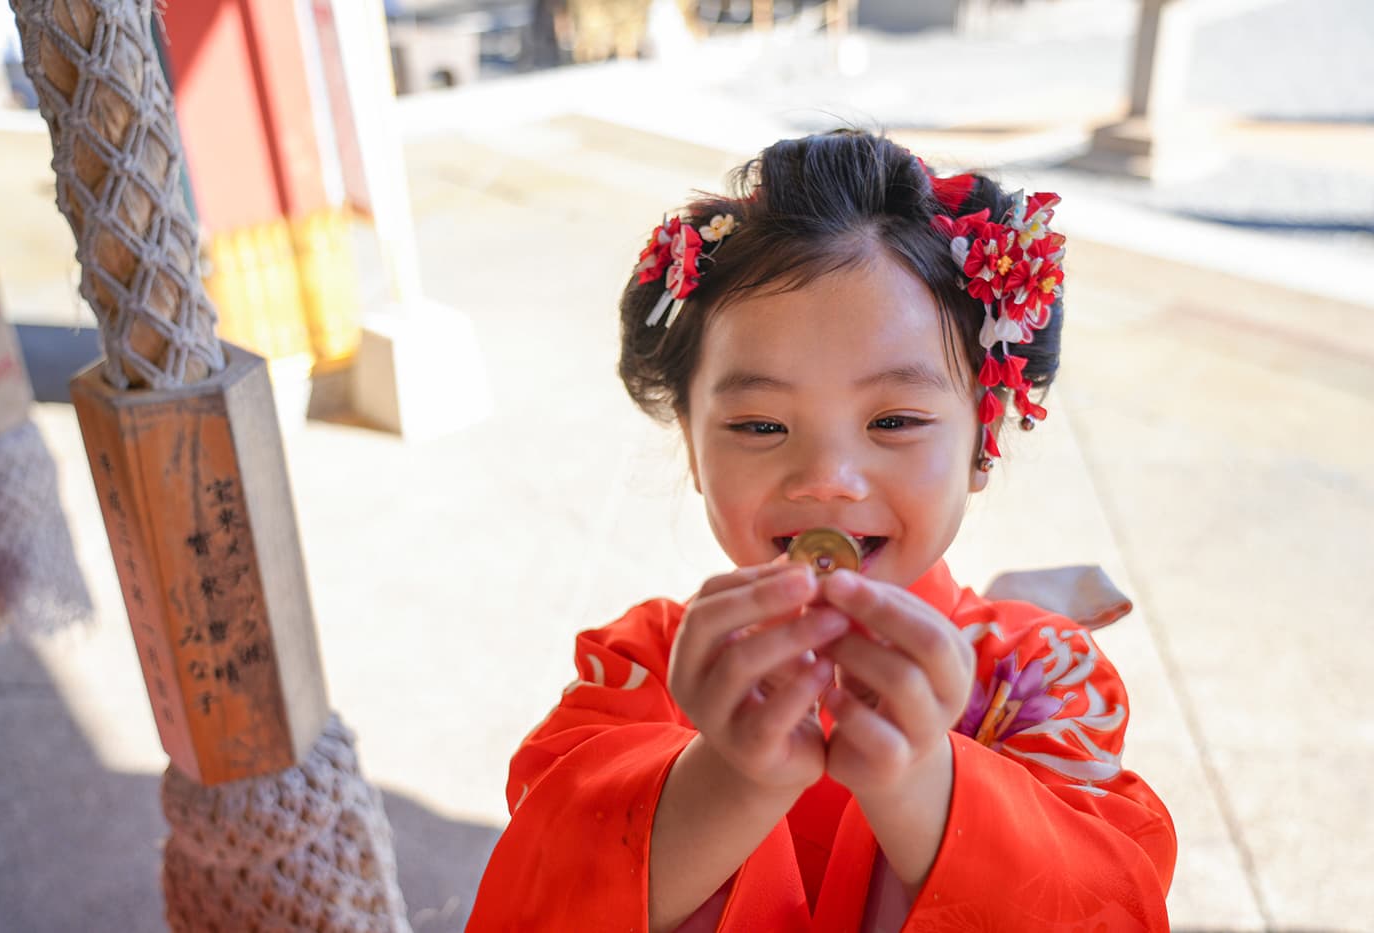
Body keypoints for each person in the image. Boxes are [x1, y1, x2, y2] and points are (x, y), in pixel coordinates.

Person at [467, 130, 1176, 931]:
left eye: (896, 419)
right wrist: (734, 778)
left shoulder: (1043, 680)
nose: (826, 479)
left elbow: (1107, 903)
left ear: (985, 439)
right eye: (761, 424)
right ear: (694, 448)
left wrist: (924, 782)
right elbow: (548, 871)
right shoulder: (638, 668)